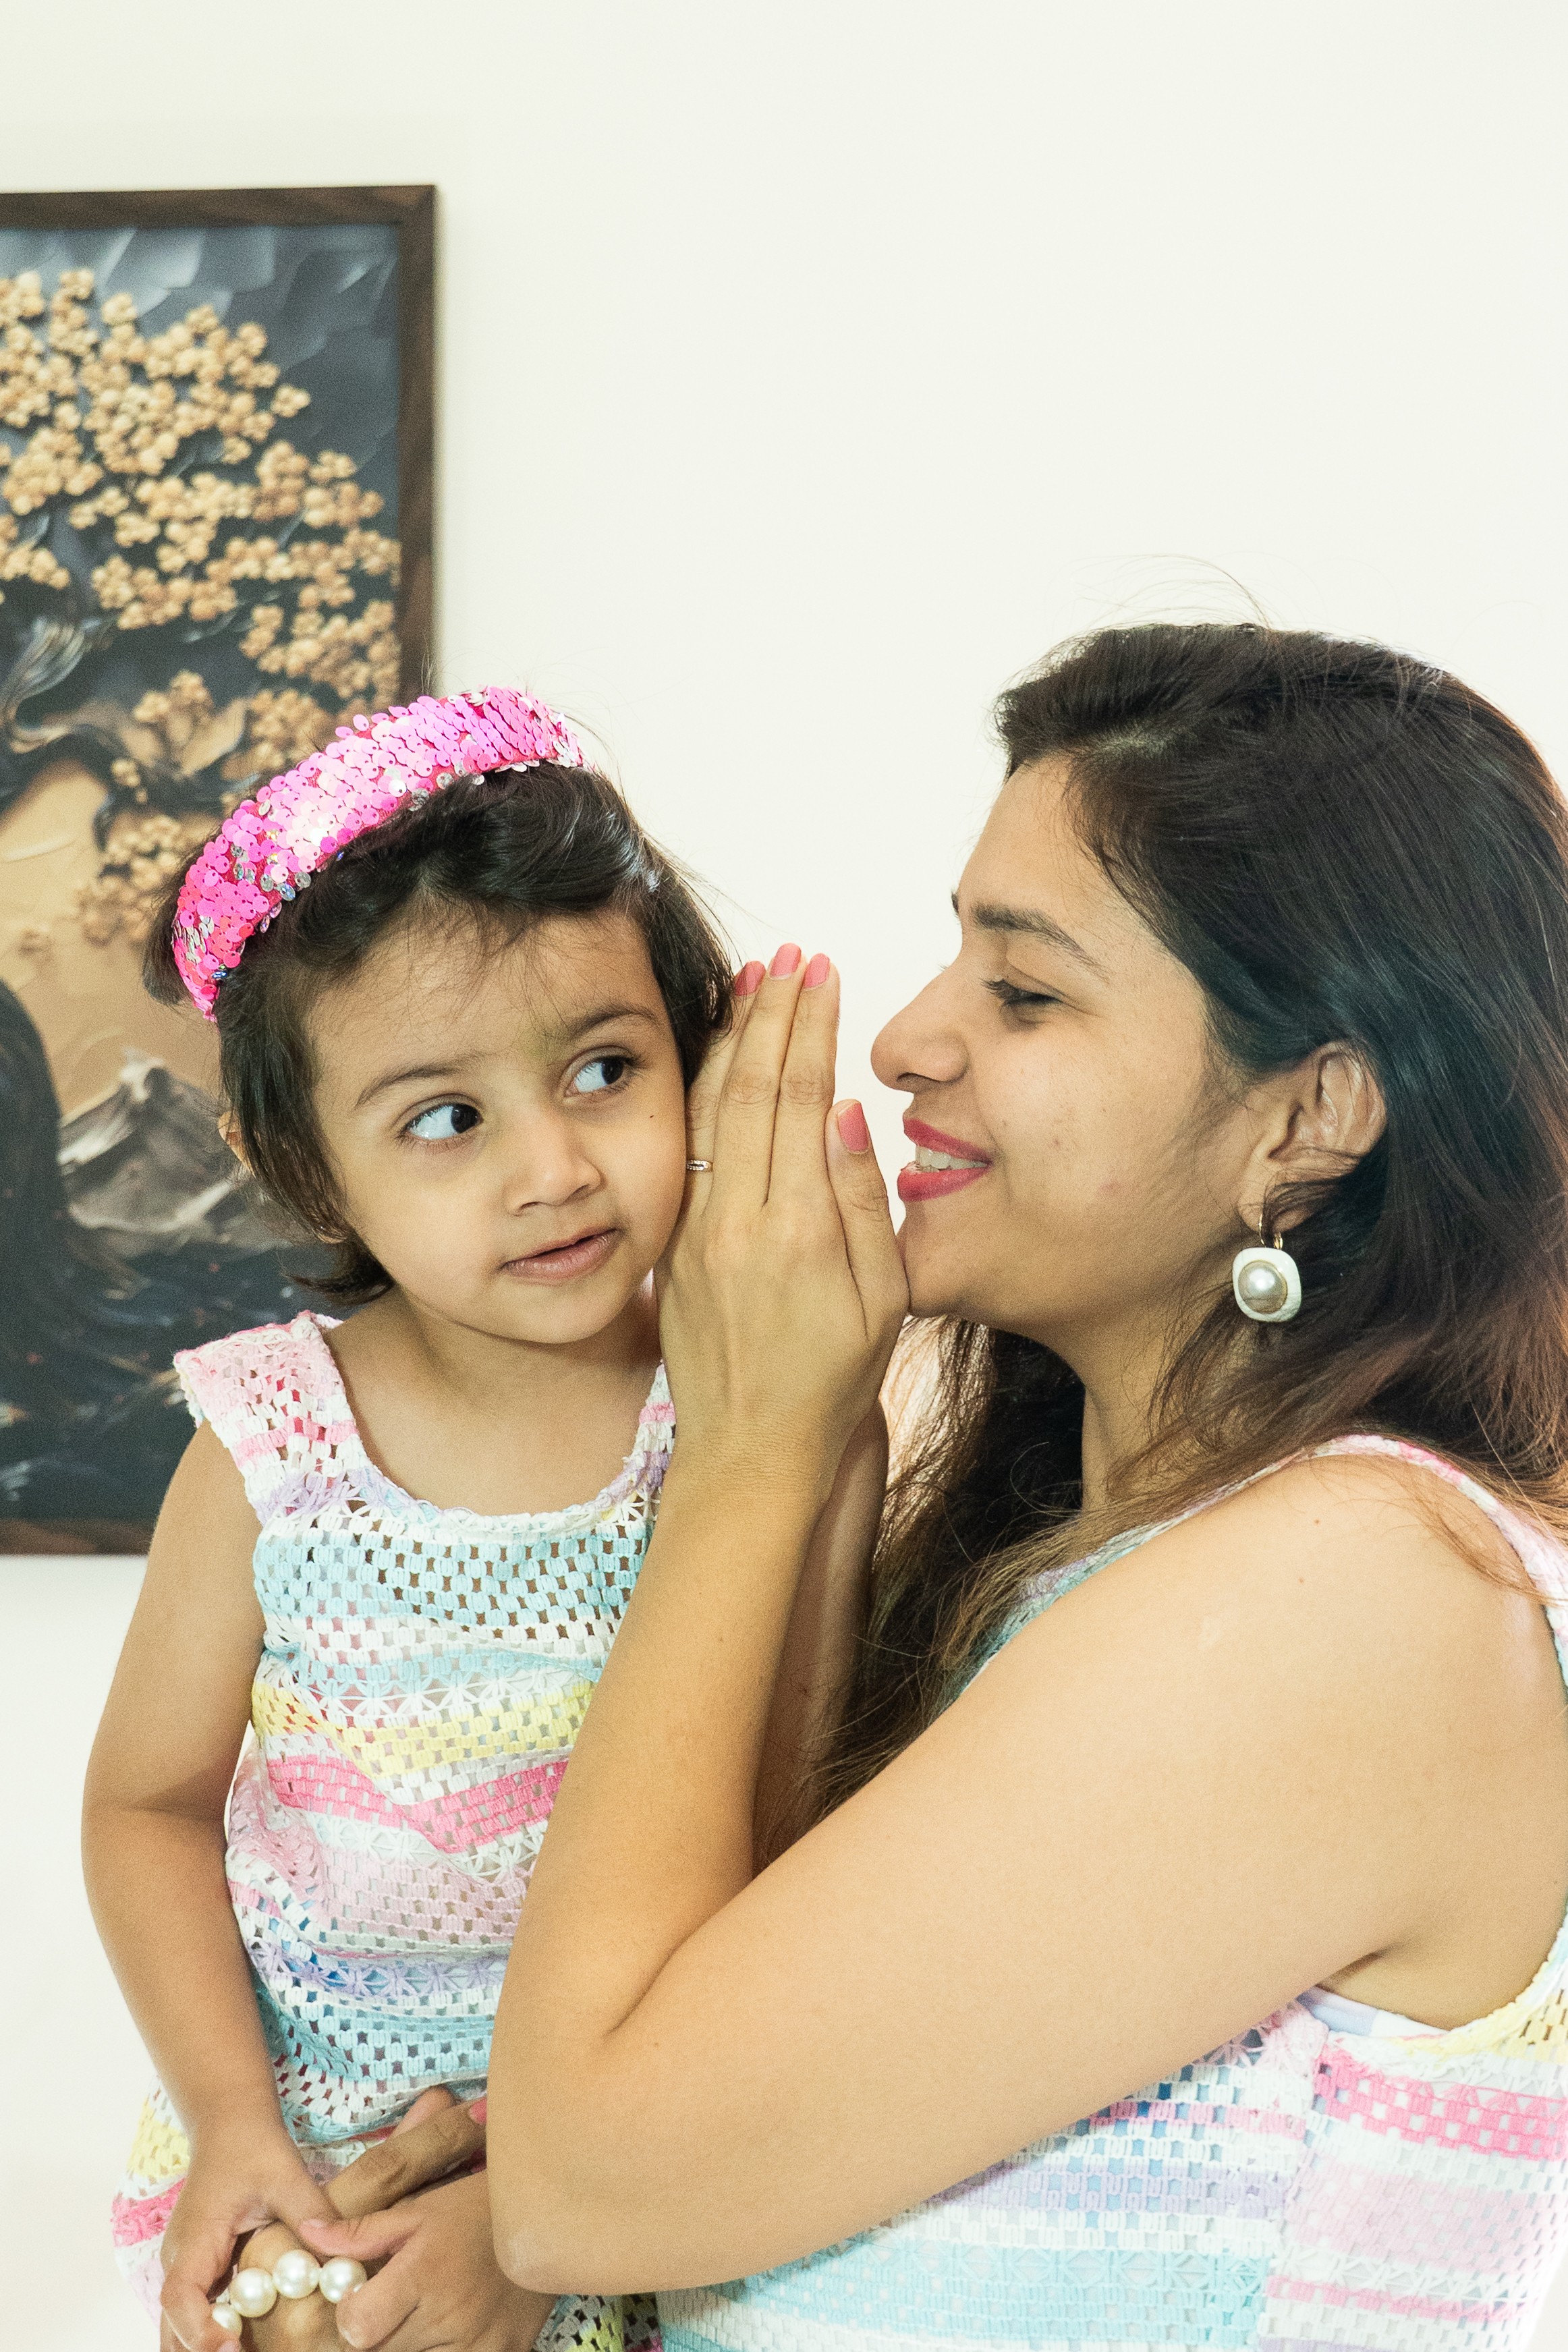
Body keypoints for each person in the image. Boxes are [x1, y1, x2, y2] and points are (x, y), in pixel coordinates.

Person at [443, 627, 1568, 2351]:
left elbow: (584, 2182)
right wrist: (811, 1475)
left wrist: (742, 1452)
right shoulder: (1098, 1568)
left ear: (1312, 1117)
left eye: (1025, 992)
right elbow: (666, 2147)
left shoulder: (1363, 1592)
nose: (902, 1043)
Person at [81, 690, 885, 2352]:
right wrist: (234, 2122)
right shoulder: (270, 1446)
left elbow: (787, 1845)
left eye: (603, 1070)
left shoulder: (767, 1418)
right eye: (444, 1118)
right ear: (305, 1171)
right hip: (313, 2187)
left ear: (697, 1058)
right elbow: (148, 1808)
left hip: (650, 2186)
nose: (552, 1168)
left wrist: (538, 2212)